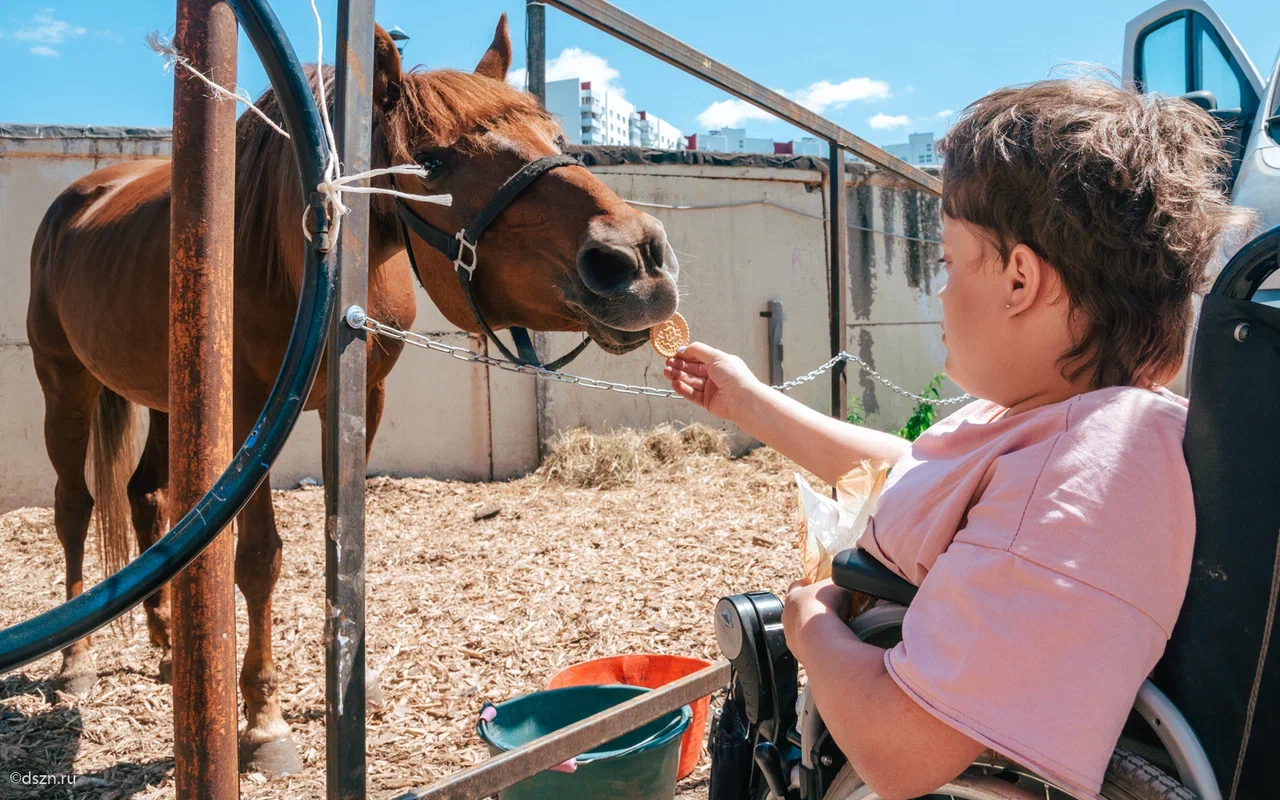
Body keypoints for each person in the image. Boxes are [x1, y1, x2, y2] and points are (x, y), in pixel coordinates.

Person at [664, 78, 1254, 799]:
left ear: (1020, 280)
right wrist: (746, 401)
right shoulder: (1059, 424)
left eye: (947, 261)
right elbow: (909, 471)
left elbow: (902, 749)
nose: (938, 292)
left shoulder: (1087, 480)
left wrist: (809, 624)